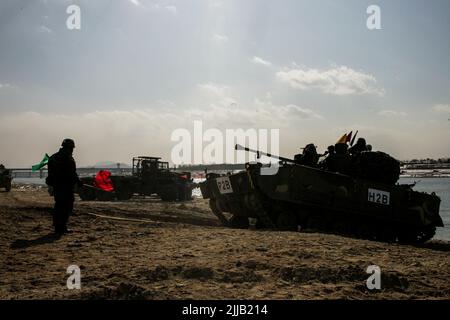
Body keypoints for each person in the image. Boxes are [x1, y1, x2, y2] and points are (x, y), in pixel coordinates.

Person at [46, 139, 82, 235]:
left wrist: (51, 185)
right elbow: (72, 173)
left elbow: (50, 173)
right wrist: (78, 182)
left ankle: (58, 227)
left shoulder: (53, 157)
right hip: (66, 187)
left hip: (57, 187)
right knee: (67, 206)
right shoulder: (68, 158)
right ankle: (62, 227)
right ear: (70, 148)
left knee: (58, 205)